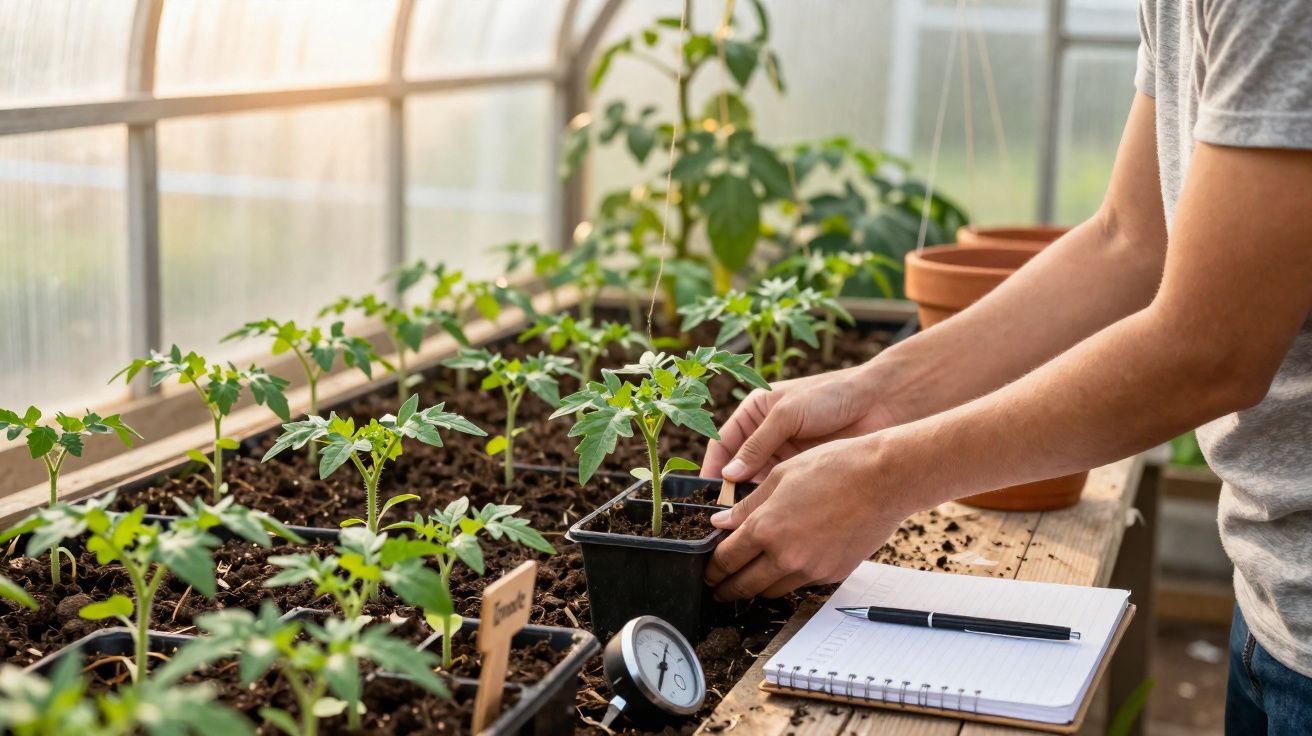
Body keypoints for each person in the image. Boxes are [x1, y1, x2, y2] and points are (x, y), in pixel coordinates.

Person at [700, 1, 1312, 733]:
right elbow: (1129, 242)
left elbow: (1211, 351)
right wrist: (879, 394)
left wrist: (882, 476)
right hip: (1275, 597)